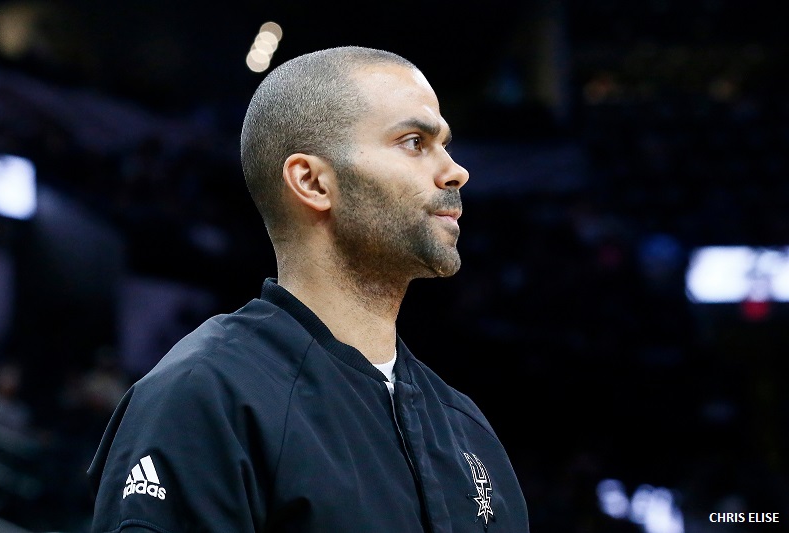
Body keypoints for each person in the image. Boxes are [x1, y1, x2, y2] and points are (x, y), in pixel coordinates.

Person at [88, 46, 530, 532]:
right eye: (414, 142)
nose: (455, 171)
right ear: (313, 182)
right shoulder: (205, 397)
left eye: (445, 143)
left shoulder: (466, 427)